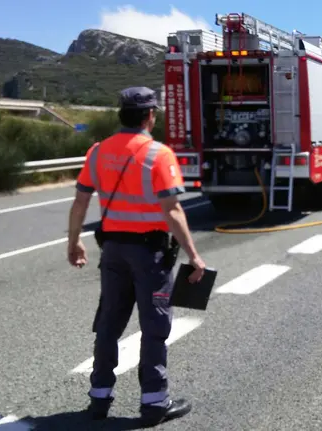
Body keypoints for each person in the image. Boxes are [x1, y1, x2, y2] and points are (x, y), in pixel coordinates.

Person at [66, 86, 207, 426]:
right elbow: (172, 210)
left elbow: (81, 201)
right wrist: (193, 255)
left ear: (121, 114)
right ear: (150, 116)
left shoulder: (98, 152)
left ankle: (99, 398)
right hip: (149, 253)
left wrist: (74, 242)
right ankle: (155, 403)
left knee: (109, 324)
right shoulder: (158, 154)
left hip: (112, 251)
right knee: (154, 326)